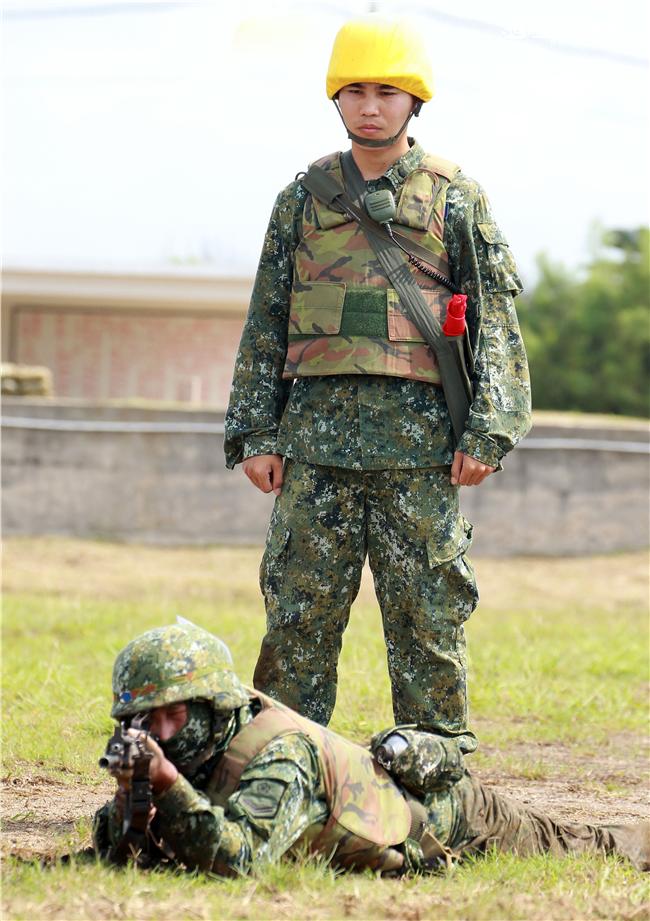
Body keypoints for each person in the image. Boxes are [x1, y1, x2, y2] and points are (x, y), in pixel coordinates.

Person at [224, 16, 532, 747]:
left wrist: (489, 430)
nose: (370, 107)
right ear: (336, 97)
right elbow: (267, 319)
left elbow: (494, 323)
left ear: (413, 101)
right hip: (314, 453)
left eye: (387, 92)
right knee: (297, 622)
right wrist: (255, 432)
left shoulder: (456, 198)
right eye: (356, 91)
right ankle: (284, 769)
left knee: (429, 621)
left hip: (419, 455)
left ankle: (435, 775)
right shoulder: (301, 200)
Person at [93, 624, 649, 875]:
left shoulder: (279, 754)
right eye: (144, 720)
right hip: (372, 806)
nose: (158, 732)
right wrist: (131, 799)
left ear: (214, 706)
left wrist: (167, 785)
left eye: (173, 715)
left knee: (585, 846)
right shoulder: (193, 749)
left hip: (450, 818)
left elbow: (238, 862)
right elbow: (128, 849)